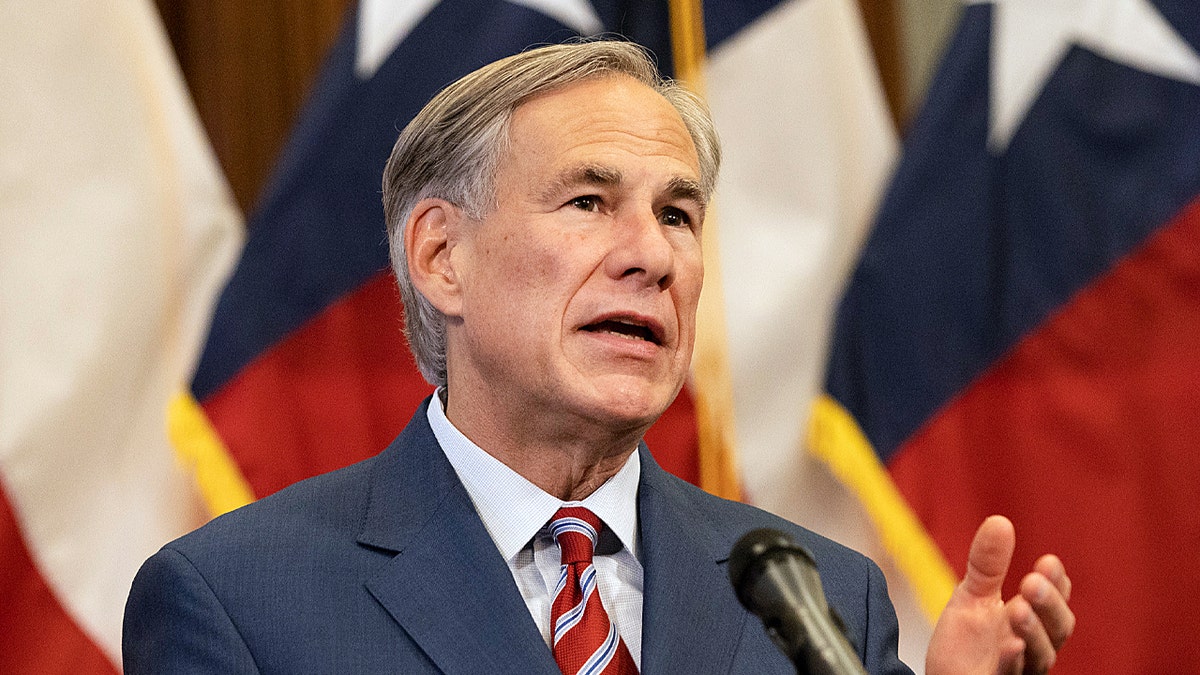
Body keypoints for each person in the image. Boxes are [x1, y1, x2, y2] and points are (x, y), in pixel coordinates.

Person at [123, 40, 1073, 674]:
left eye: (677, 214)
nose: (652, 255)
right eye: (588, 202)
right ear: (441, 258)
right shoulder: (240, 602)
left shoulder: (820, 604)